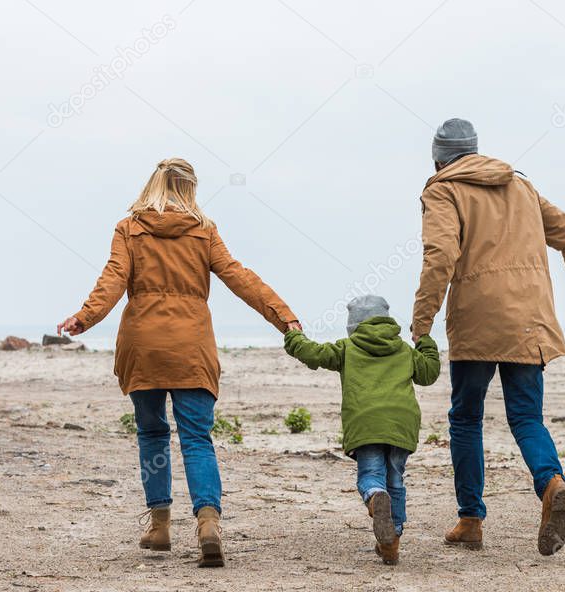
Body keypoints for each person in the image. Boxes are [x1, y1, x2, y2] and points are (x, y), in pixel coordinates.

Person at [58, 158, 300, 568]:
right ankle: (207, 524)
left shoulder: (129, 228)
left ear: (152, 184)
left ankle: (160, 526)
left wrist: (85, 316)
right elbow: (240, 277)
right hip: (192, 347)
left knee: (152, 435)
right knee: (196, 439)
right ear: (190, 189)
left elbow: (113, 278)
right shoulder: (203, 230)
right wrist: (283, 316)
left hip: (144, 347)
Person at [411, 118, 565, 556]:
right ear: (476, 151)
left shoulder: (441, 189)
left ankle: (470, 519)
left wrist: (421, 324)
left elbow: (440, 255)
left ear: (438, 158)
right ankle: (552, 482)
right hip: (529, 320)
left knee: (466, 419)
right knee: (527, 418)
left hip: (477, 321)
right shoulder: (521, 187)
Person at [284, 295, 441, 565]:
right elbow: (429, 373)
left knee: (371, 476)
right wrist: (424, 340)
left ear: (352, 326)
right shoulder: (404, 350)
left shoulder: (347, 348)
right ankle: (392, 540)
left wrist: (294, 336)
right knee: (396, 481)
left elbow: (312, 353)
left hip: (366, 424)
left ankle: (374, 497)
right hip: (401, 425)